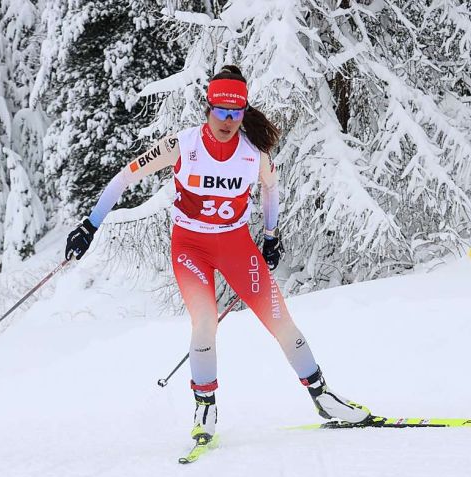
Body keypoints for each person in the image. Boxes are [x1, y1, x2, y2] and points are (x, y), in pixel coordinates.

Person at [64, 65, 371, 443]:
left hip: (235, 245)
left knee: (279, 318)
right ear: (207, 108)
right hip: (190, 246)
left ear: (244, 112)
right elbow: (125, 177)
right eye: (220, 111)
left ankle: (323, 396)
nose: (227, 120)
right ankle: (205, 407)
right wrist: (89, 225)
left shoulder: (254, 155)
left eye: (235, 112)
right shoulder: (181, 145)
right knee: (204, 320)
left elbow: (271, 190)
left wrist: (271, 236)